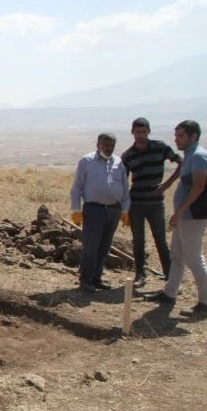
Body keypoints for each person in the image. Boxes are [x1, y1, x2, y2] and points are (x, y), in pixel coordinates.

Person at [143, 120, 207, 318]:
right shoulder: (189, 155)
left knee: (194, 259)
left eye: (181, 136)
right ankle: (169, 294)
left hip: (192, 216)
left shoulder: (198, 156)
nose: (176, 140)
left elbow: (199, 187)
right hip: (185, 215)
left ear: (193, 136)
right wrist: (169, 186)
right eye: (176, 135)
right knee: (177, 256)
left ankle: (205, 303)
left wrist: (179, 211)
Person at [120, 117, 182, 288]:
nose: (140, 135)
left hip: (156, 203)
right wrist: (124, 207)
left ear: (149, 132)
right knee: (138, 240)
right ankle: (140, 275)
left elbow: (181, 163)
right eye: (137, 132)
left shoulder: (160, 147)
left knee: (160, 240)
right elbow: (123, 182)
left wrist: (167, 184)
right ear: (132, 132)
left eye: (144, 132)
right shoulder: (128, 155)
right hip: (136, 204)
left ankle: (170, 277)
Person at [70, 133, 131, 293]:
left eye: (112, 146)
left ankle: (97, 279)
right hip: (94, 210)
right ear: (98, 145)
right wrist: (76, 209)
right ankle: (86, 280)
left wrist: (125, 210)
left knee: (104, 246)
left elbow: (125, 188)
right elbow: (77, 188)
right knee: (91, 246)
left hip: (113, 210)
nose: (109, 148)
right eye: (106, 145)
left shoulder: (118, 162)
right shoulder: (86, 161)